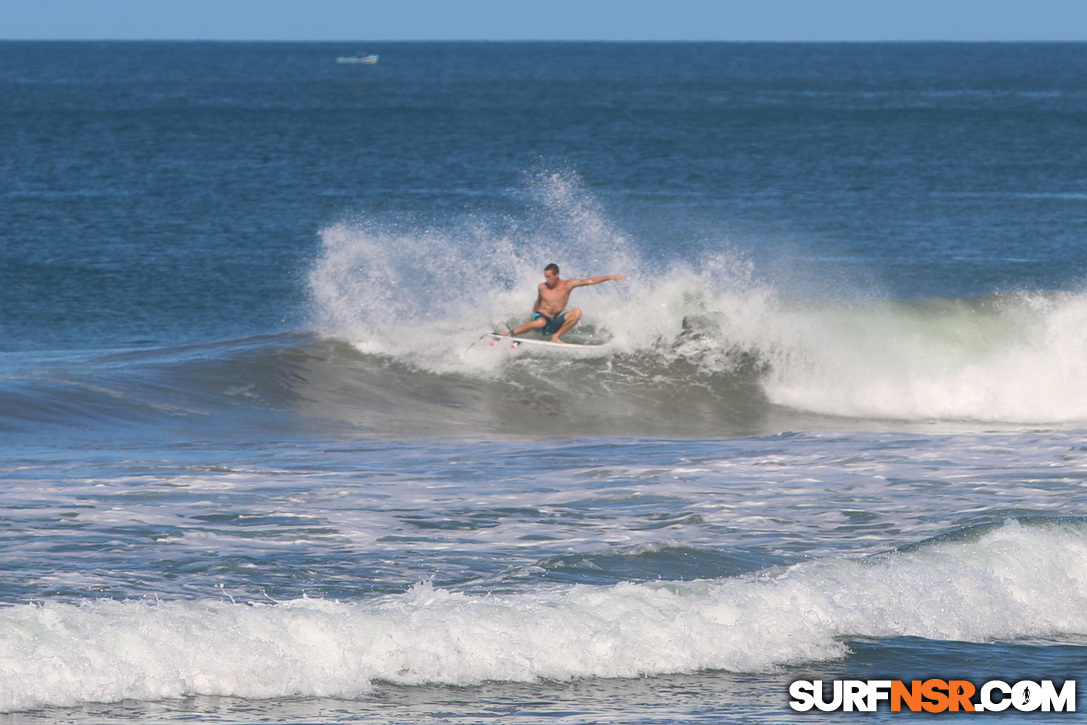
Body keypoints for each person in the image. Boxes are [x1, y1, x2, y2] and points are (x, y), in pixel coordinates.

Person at [503, 263, 627, 343]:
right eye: (545, 276)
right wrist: (532, 315)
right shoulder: (542, 286)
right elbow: (538, 301)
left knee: (577, 312)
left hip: (552, 323)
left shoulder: (568, 285)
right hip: (540, 318)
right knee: (541, 321)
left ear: (556, 275)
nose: (547, 279)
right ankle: (511, 333)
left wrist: (610, 277)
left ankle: (555, 337)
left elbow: (590, 280)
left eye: (549, 277)